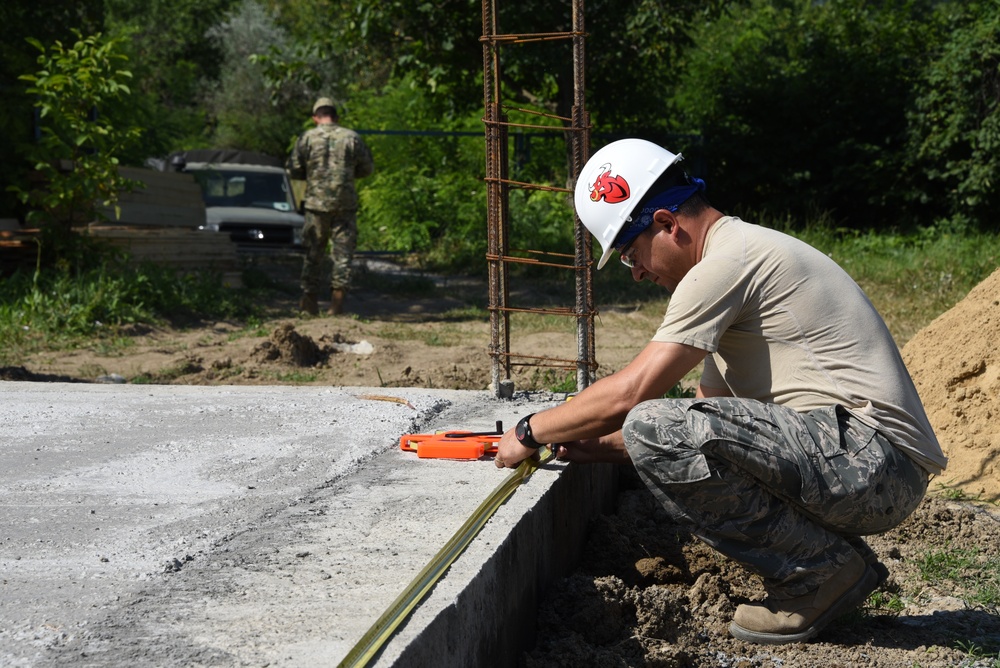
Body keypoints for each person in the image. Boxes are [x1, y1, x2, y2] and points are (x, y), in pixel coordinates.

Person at [495, 138, 946, 645]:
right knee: (659, 428)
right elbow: (708, 418)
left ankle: (816, 575)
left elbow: (634, 396)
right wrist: (599, 448)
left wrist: (530, 430)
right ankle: (830, 563)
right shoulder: (740, 258)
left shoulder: (726, 263)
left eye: (631, 253)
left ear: (667, 224)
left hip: (873, 461)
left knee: (650, 420)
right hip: (873, 465)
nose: (638, 271)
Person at [287, 97, 374, 315]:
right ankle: (336, 305)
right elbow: (367, 169)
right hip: (344, 204)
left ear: (315, 117)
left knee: (313, 253)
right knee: (343, 255)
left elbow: (293, 169)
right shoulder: (352, 137)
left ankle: (309, 303)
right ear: (336, 116)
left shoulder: (307, 138)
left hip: (316, 204)